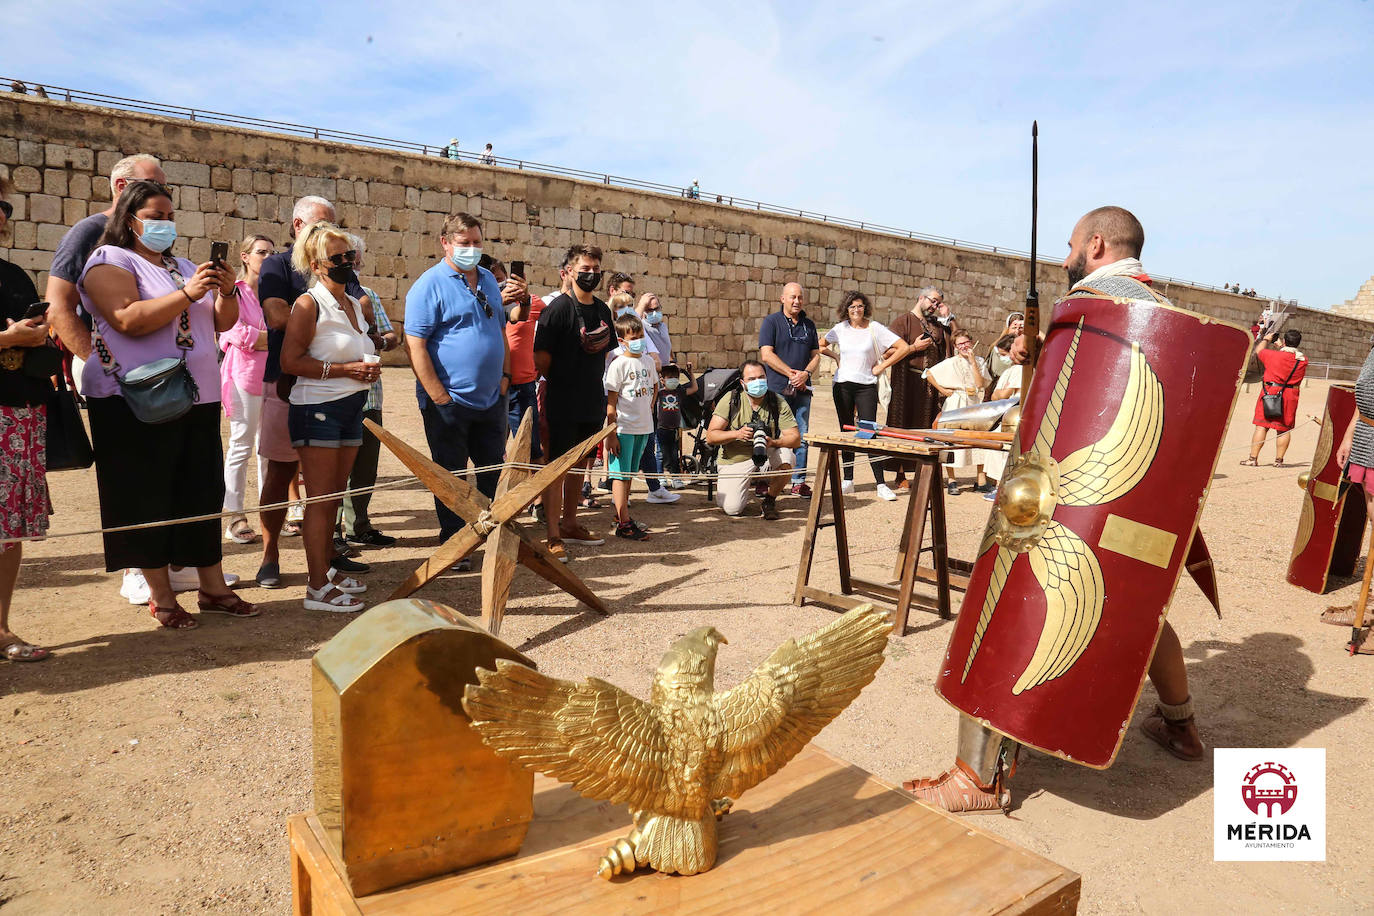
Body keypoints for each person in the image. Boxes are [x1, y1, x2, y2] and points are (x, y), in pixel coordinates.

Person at [904, 205, 1205, 814]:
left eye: (1070, 246)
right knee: (1138, 602)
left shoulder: (1087, 311)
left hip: (1064, 497)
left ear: (1095, 245)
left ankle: (976, 777)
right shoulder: (1168, 316)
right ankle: (1180, 725)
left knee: (1012, 599)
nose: (1064, 258)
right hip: (1139, 498)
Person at [78, 180, 257, 629]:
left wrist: (226, 292)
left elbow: (221, 322)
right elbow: (126, 319)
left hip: (195, 396)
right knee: (147, 495)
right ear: (130, 220)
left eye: (169, 216)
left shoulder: (181, 266)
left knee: (199, 491)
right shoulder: (109, 261)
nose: (165, 224)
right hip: (134, 399)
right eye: (155, 216)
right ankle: (161, 595)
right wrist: (190, 293)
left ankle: (212, 587)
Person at [46, 153, 167, 605]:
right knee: (129, 468)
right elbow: (59, 302)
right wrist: (98, 358)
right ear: (121, 188)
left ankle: (169, 562)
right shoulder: (87, 232)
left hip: (152, 371)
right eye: (154, 184)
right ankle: (136, 569)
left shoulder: (149, 239)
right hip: (113, 369)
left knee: (160, 466)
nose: (162, 194)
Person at [255, 195, 371, 588]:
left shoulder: (342, 285)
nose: (328, 235)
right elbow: (276, 318)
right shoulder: (278, 266)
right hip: (291, 389)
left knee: (329, 492)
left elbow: (364, 310)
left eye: (333, 227)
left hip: (345, 401)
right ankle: (271, 553)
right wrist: (318, 319)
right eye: (319, 226)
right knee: (281, 474)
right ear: (298, 228)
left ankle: (326, 560)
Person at [280, 223, 379, 612]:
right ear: (317, 265)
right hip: (317, 408)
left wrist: (365, 370)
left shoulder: (355, 303)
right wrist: (346, 371)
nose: (346, 263)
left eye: (349, 256)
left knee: (333, 498)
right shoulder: (308, 304)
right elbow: (290, 361)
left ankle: (326, 570)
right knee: (320, 501)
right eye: (336, 258)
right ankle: (316, 585)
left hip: (351, 407)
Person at [403, 212, 510, 567]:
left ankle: (492, 536)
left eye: (477, 242)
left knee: (493, 470)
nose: (472, 249)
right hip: (449, 400)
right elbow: (415, 343)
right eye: (464, 243)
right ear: (446, 243)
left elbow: (499, 331)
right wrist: (438, 395)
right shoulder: (429, 284)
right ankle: (455, 543)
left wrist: (505, 375)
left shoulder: (489, 281)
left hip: (490, 399)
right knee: (450, 476)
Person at [533, 245, 616, 560]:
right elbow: (541, 358)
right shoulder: (558, 310)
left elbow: (606, 352)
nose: (591, 274)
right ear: (568, 271)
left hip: (590, 399)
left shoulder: (602, 310)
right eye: (585, 268)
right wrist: (565, 380)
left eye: (596, 267)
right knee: (556, 467)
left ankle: (570, 523)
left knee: (580, 464)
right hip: (562, 399)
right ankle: (553, 534)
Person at [0, 190, 54, 661]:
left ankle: (0, 628)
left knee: (8, 530)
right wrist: (7, 337)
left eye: (4, 209)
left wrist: (36, 333)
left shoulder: (13, 275)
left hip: (18, 412)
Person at [819, 291, 910, 500]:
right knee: (846, 429)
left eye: (859, 306)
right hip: (842, 384)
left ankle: (880, 483)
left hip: (866, 385)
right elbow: (821, 345)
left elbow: (902, 347)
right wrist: (835, 357)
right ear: (846, 309)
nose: (856, 310)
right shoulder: (840, 329)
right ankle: (848, 479)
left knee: (868, 430)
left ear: (865, 307)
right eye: (852, 307)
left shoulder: (875, 328)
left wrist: (882, 366)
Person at [339, 235, 399, 549]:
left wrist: (380, 341)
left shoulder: (370, 295)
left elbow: (391, 336)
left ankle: (358, 525)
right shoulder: (320, 297)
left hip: (369, 395)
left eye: (353, 257)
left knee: (365, 467)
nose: (350, 263)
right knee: (335, 469)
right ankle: (333, 533)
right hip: (336, 393)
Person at [219, 235, 275, 545]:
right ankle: (235, 514)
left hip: (272, 377)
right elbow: (237, 334)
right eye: (261, 252)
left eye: (271, 252)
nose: (267, 257)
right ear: (245, 256)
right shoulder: (234, 294)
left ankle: (270, 511)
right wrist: (270, 336)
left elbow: (284, 330)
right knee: (241, 445)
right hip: (243, 377)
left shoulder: (273, 295)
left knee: (268, 448)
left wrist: (263, 336)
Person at [705, 360, 801, 520]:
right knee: (732, 509)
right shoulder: (731, 399)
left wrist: (774, 442)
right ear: (742, 383)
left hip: (766, 452)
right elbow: (711, 436)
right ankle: (737, 489)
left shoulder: (776, 401)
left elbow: (795, 439)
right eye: (752, 379)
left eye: (761, 377)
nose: (758, 382)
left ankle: (769, 500)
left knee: (788, 456)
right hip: (735, 458)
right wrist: (736, 434)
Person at [887, 287, 952, 491]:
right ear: (921, 298)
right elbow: (887, 350)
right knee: (902, 425)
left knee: (927, 427)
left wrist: (948, 317)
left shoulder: (936, 325)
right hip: (907, 379)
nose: (934, 306)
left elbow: (951, 344)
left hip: (930, 384)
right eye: (933, 301)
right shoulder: (903, 321)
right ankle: (900, 474)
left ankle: (925, 473)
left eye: (938, 303)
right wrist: (913, 347)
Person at [758, 282, 820, 496]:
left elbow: (816, 355)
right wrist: (791, 374)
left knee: (801, 435)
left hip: (802, 390)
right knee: (770, 433)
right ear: (782, 298)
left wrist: (806, 374)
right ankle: (765, 479)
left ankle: (798, 481)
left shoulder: (809, 325)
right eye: (792, 297)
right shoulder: (771, 322)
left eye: (800, 297)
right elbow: (766, 354)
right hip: (776, 389)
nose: (797, 301)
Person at [603, 313, 659, 540]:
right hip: (624, 429)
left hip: (643, 428)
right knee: (620, 475)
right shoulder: (619, 365)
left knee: (630, 473)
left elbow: (655, 387)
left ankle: (622, 514)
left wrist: (648, 409)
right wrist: (611, 433)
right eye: (633, 337)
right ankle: (624, 522)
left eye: (641, 336)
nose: (639, 340)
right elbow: (611, 403)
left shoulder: (647, 361)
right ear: (622, 340)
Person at [926, 330, 993, 495]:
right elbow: (928, 373)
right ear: (955, 346)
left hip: (974, 402)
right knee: (952, 439)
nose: (964, 346)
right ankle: (952, 480)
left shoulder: (979, 361)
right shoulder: (951, 362)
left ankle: (981, 480)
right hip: (957, 401)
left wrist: (973, 364)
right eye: (960, 344)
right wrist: (943, 390)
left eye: (966, 342)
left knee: (979, 439)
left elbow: (980, 384)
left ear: (971, 342)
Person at [488, 257, 541, 461]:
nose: (498, 284)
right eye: (493, 280)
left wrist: (524, 298)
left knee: (529, 448)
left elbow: (521, 314)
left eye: (501, 279)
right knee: (491, 451)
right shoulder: (479, 302)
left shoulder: (528, 303)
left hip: (521, 384)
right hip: (492, 385)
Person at [1243, 328, 1307, 467]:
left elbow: (1259, 350)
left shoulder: (1273, 355)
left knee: (1262, 426)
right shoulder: (1302, 360)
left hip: (1270, 392)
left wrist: (1266, 339)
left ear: (1284, 341)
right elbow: (1290, 358)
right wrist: (1282, 347)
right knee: (1283, 429)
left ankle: (1253, 459)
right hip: (1290, 396)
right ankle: (1279, 461)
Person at [656, 362, 697, 485]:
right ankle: (660, 476)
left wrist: (690, 373)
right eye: (670, 378)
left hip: (674, 430)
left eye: (676, 378)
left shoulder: (679, 392)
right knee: (660, 454)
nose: (673, 380)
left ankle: (675, 478)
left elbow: (694, 388)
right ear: (662, 380)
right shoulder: (659, 393)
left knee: (674, 455)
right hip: (661, 428)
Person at [986, 312, 1024, 381]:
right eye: (1014, 327)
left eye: (1020, 328)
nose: (1017, 331)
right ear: (1008, 328)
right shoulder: (997, 348)